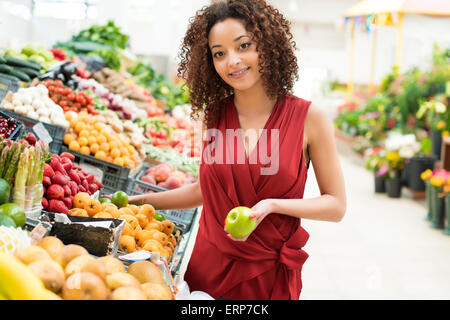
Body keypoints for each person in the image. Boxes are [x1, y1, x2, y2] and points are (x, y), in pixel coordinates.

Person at [126, 0, 346, 300]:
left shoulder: (310, 118)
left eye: (243, 46)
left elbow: (335, 205)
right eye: (219, 53)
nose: (232, 61)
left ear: (267, 46)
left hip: (266, 278)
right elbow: (206, 191)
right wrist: (137, 202)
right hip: (207, 269)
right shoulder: (214, 115)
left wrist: (273, 205)